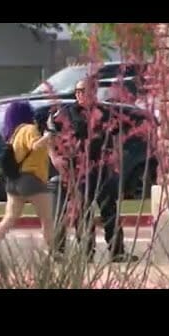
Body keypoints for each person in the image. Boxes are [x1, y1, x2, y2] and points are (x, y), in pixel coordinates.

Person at [47, 79, 139, 263]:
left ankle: (117, 251)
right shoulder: (64, 114)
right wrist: (55, 158)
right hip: (77, 170)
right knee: (83, 213)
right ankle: (87, 253)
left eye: (85, 90)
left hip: (101, 169)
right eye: (78, 91)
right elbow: (49, 137)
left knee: (110, 211)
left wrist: (116, 159)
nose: (81, 94)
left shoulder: (104, 113)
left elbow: (117, 136)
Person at [0, 101, 57, 256]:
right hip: (32, 180)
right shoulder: (29, 129)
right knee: (47, 219)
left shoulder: (13, 135)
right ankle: (51, 251)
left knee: (9, 217)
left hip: (13, 181)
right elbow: (35, 146)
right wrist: (49, 135)